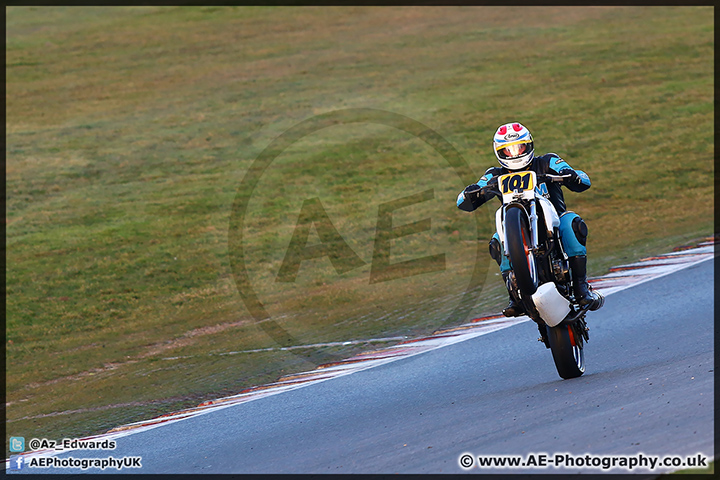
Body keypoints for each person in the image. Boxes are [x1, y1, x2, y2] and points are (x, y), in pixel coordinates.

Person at [457, 122, 603, 317]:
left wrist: (572, 176)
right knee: (496, 241)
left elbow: (583, 179)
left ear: (529, 145)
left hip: (555, 224)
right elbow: (464, 199)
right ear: (499, 152)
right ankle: (514, 294)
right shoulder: (494, 174)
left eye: (520, 147)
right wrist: (470, 193)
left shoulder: (548, 161)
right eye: (508, 150)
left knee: (572, 223)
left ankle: (581, 287)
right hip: (517, 230)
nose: (515, 153)